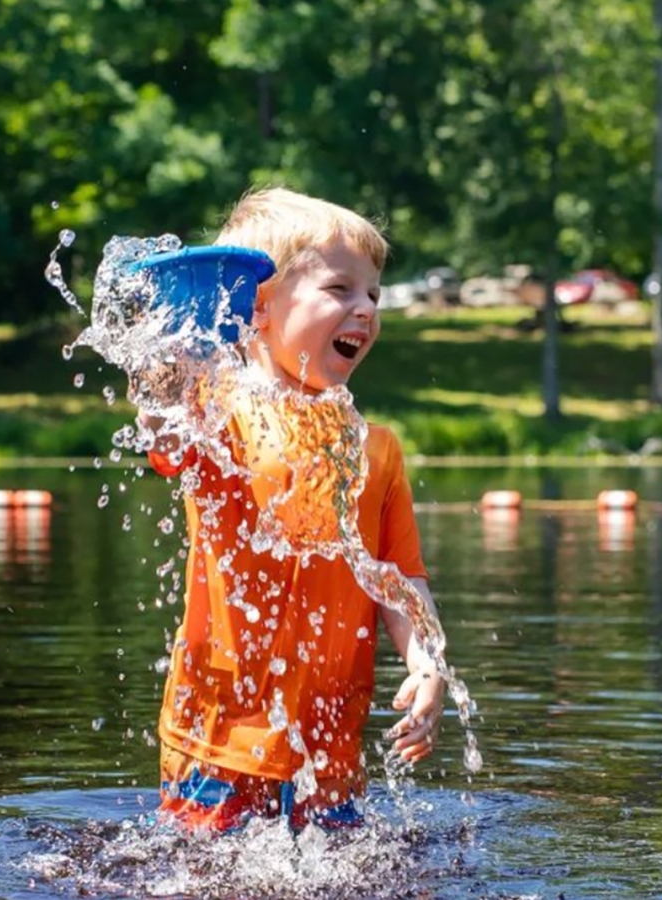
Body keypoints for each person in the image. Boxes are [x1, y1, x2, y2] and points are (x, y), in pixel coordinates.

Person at [140, 187, 447, 832]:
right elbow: (162, 435)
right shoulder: (220, 414)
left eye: (374, 295)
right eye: (340, 290)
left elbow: (400, 578)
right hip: (213, 742)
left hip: (328, 749)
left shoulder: (378, 448)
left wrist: (427, 662)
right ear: (261, 306)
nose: (364, 309)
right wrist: (173, 363)